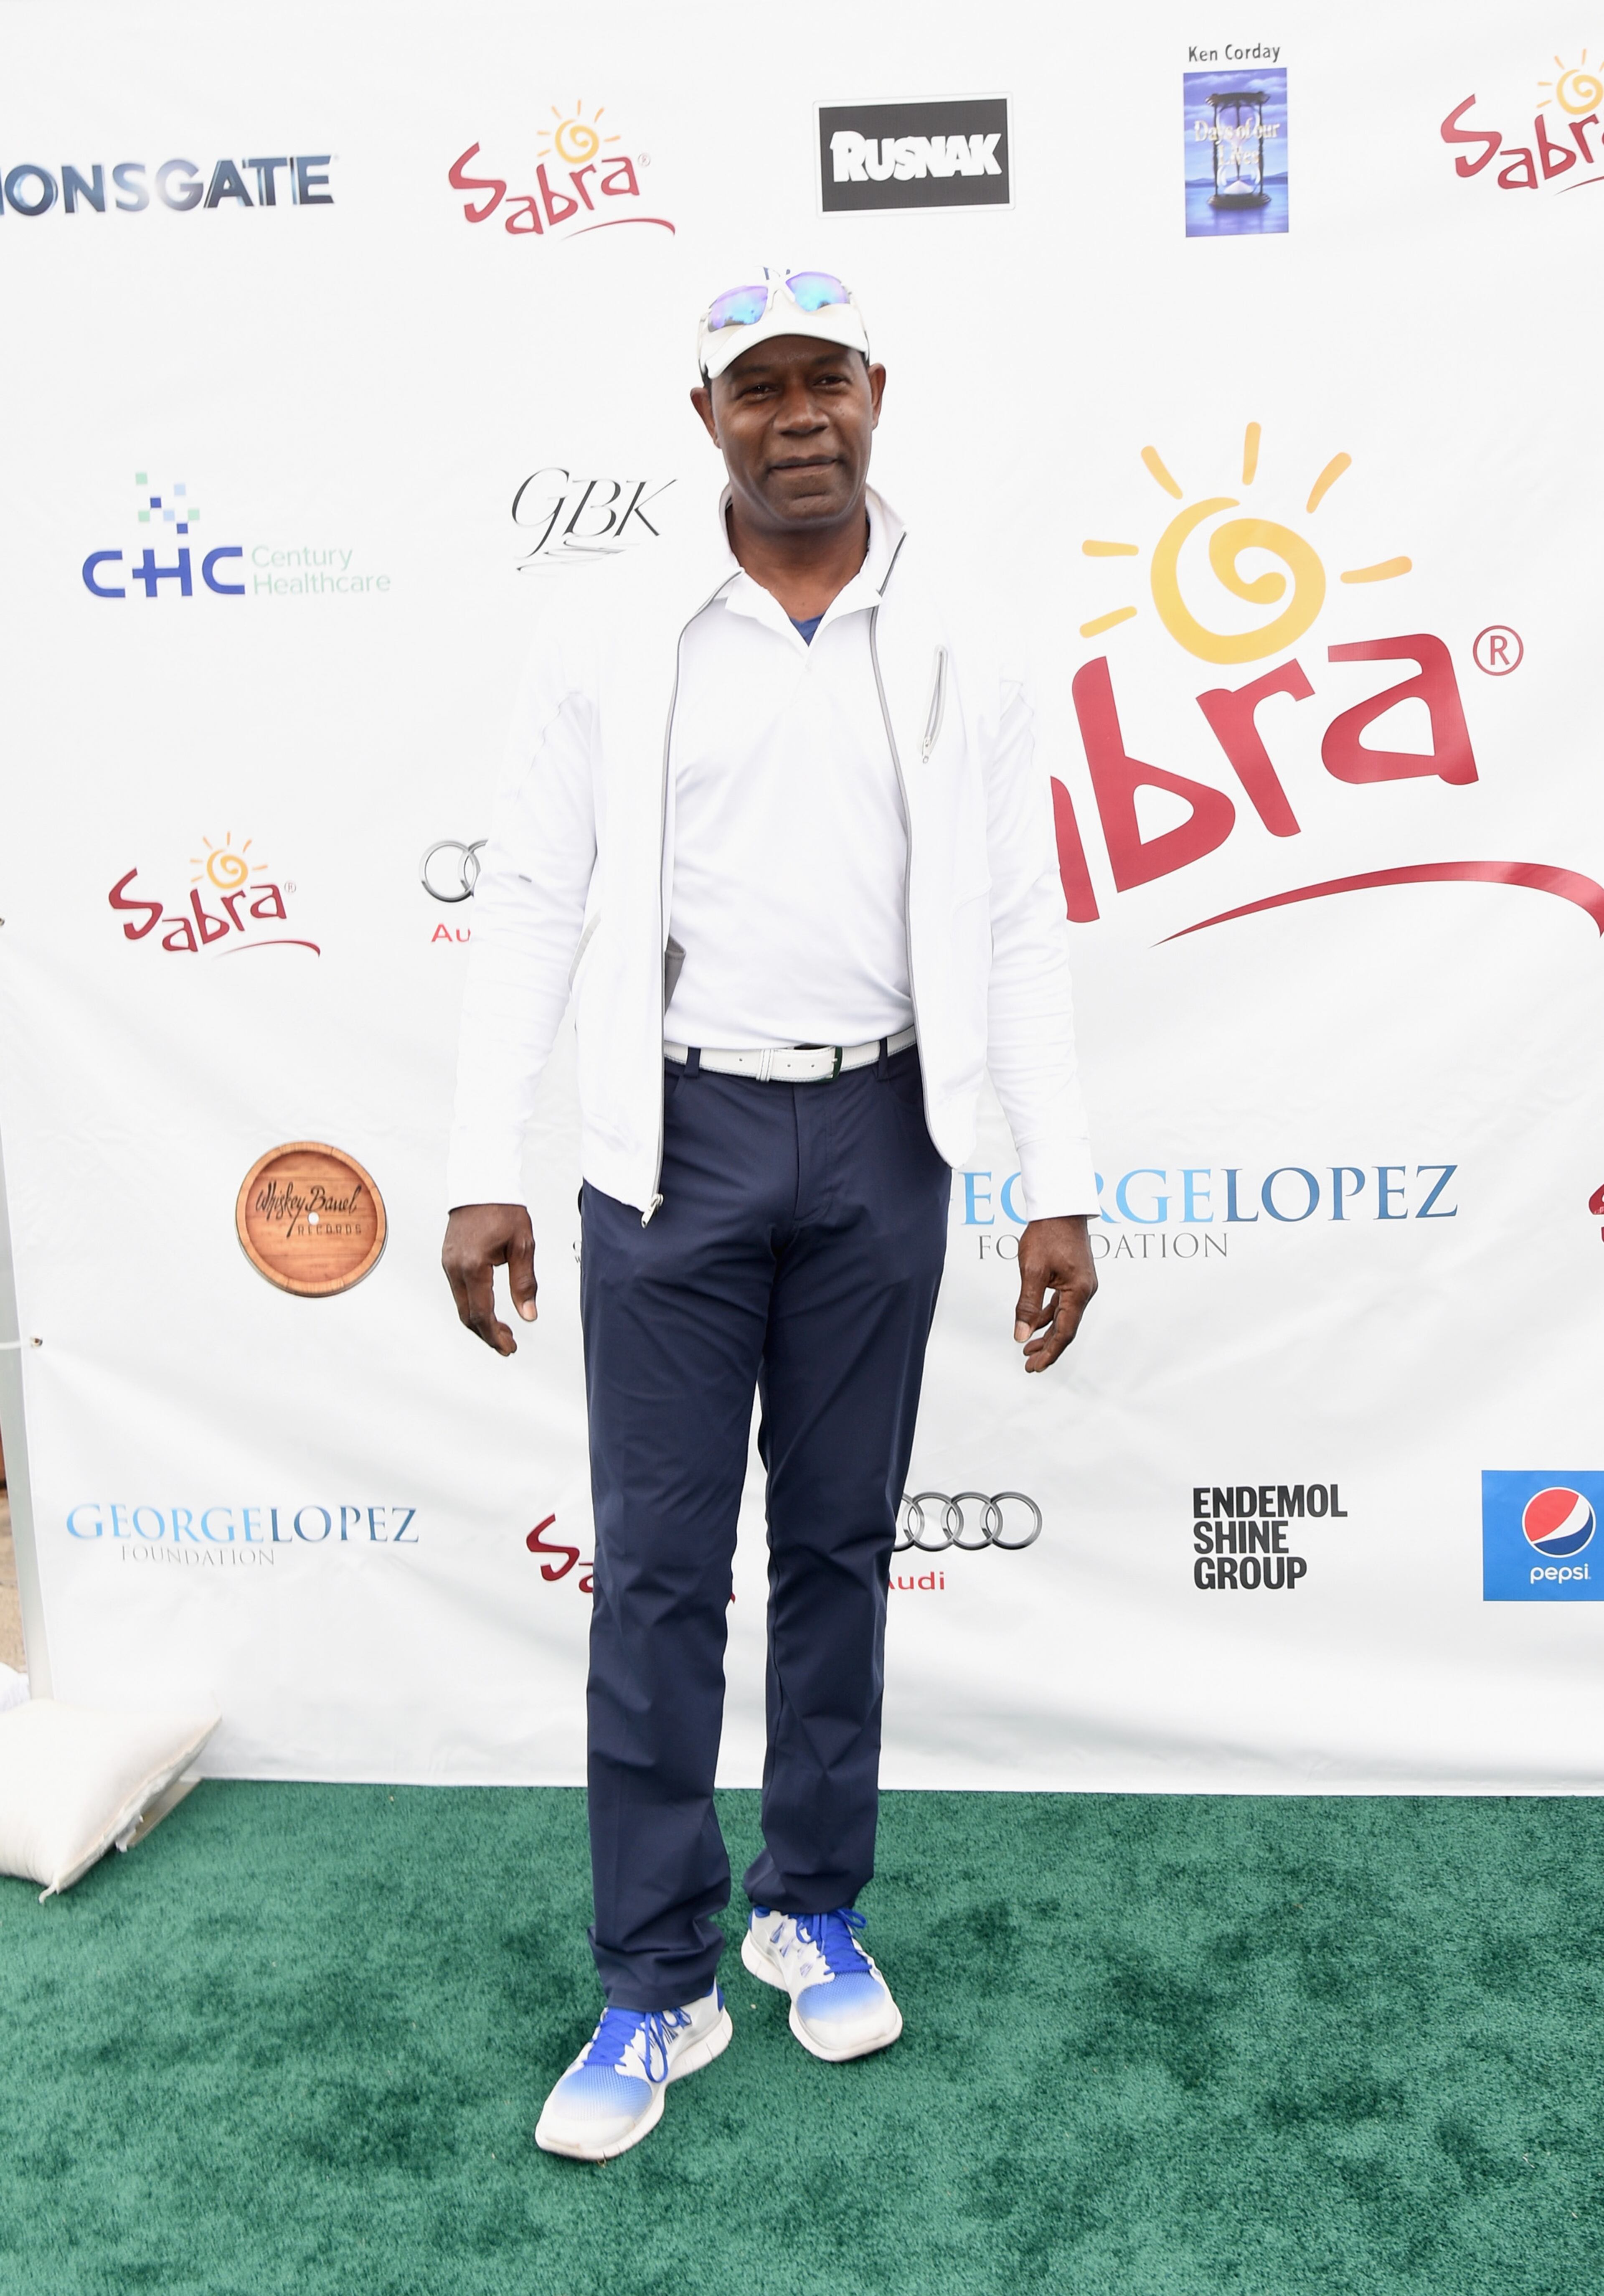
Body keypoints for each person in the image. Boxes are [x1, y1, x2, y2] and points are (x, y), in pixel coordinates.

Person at [441, 265, 1099, 2161]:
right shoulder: (616, 634)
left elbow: (1011, 925)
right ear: (707, 416)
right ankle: (654, 1985)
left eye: (827, 382)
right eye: (759, 389)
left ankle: (813, 1902)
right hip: (677, 1146)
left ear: (880, 392)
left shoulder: (962, 629)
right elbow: (534, 909)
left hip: (886, 1133)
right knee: (656, 1569)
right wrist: (489, 1159)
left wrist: (1055, 1183)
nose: (798, 416)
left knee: (837, 1548)